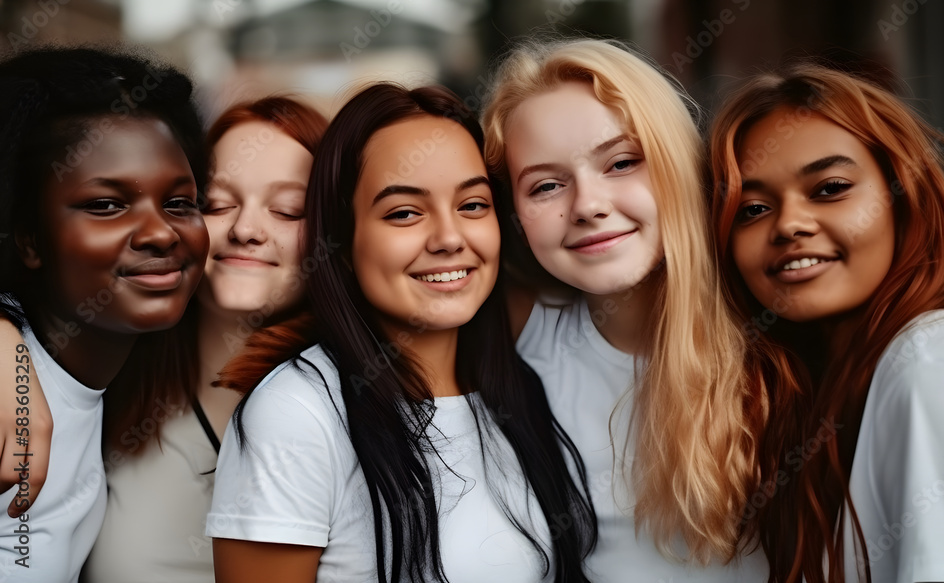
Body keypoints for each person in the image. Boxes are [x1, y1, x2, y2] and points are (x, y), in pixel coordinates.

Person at [206, 82, 597, 583]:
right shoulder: (296, 414)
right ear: (343, 243)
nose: (449, 238)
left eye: (472, 205)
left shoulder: (522, 387)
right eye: (404, 213)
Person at [481, 38, 768, 580]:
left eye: (621, 162)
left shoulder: (779, 337)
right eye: (545, 185)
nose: (588, 205)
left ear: (676, 163)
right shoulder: (512, 345)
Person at [709, 61, 944, 582]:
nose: (790, 224)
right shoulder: (812, 401)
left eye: (830, 188)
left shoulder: (934, 362)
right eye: (752, 209)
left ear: (903, 199)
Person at [81, 96, 326, 582]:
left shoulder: (352, 400)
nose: (246, 229)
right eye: (215, 204)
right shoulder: (111, 373)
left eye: (288, 210)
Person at [0, 47, 208, 582]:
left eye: (180, 203)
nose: (161, 232)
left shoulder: (117, 383)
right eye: (106, 205)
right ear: (29, 239)